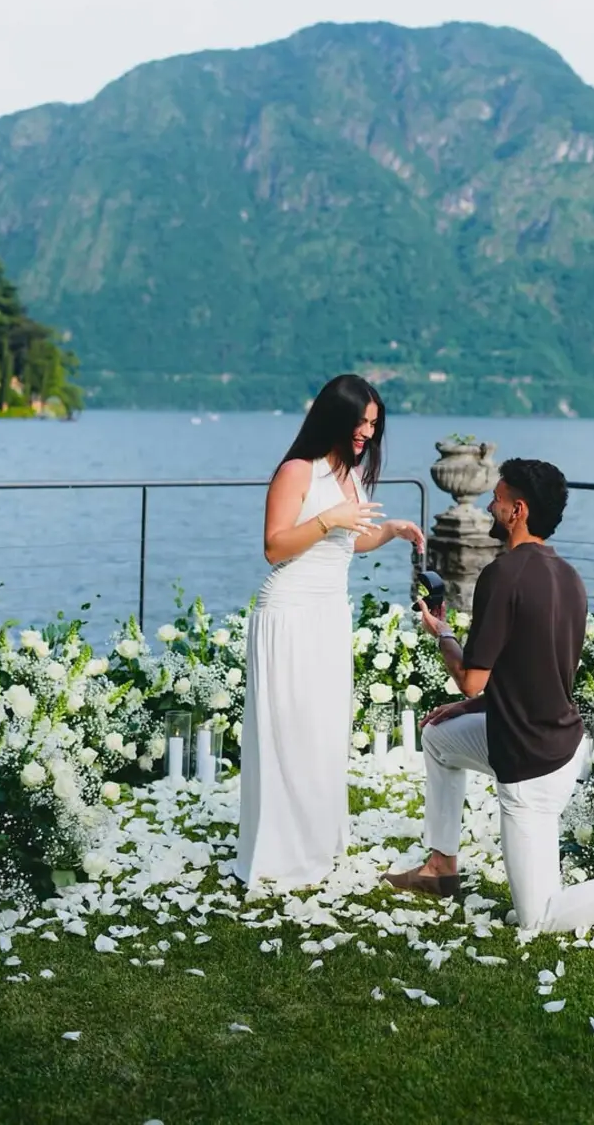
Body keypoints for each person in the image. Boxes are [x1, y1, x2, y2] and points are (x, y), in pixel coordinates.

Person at [387, 457, 594, 942]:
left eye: (497, 499)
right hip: (559, 740)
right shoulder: (569, 578)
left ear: (517, 511)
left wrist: (442, 633)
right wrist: (468, 709)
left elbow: (471, 680)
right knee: (438, 737)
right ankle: (440, 867)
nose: (490, 506)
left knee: (537, 918)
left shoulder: (502, 576)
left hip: (530, 763)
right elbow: (532, 676)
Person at [234, 373, 425, 887]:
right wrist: (330, 518)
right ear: (335, 417)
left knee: (322, 731)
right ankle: (280, 852)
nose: (367, 432)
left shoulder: (350, 474)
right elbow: (274, 546)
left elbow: (347, 542)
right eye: (361, 421)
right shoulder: (298, 470)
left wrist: (390, 530)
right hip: (290, 611)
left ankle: (315, 840)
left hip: (329, 613)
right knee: (290, 730)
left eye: (374, 424)